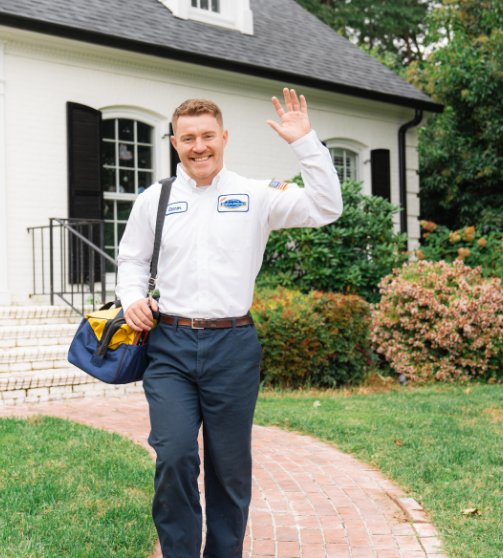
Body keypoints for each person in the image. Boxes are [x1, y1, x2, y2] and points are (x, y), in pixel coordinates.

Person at [116, 88, 342, 558]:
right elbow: (132, 260)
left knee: (229, 469)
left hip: (233, 345)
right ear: (174, 143)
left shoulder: (255, 194)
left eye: (207, 136)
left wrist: (305, 144)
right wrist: (133, 297)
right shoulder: (154, 201)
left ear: (224, 137)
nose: (199, 146)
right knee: (175, 455)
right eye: (188, 137)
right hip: (169, 346)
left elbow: (326, 207)